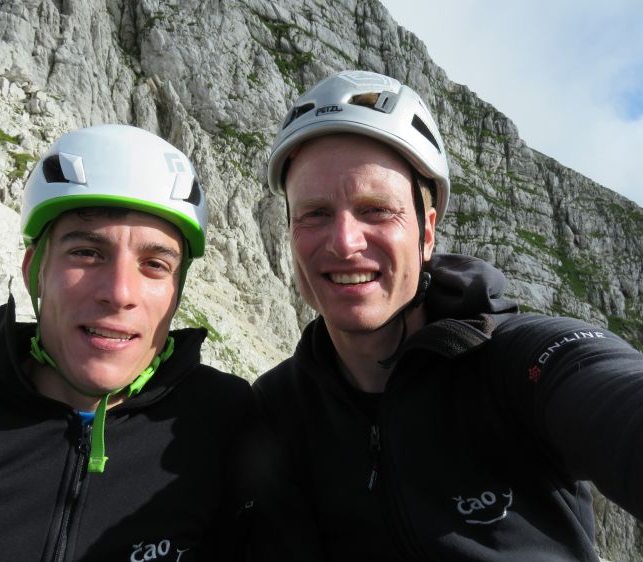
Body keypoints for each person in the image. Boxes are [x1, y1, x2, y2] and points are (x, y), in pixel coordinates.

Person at [251, 70, 643, 561]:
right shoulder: (273, 410)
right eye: (314, 213)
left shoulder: (516, 362)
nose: (345, 243)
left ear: (427, 232)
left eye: (376, 209)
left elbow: (613, 393)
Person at [0, 124, 253, 561]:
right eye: (86, 253)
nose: (119, 292)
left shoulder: (229, 422)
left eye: (155, 264)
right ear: (34, 271)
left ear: (176, 292)